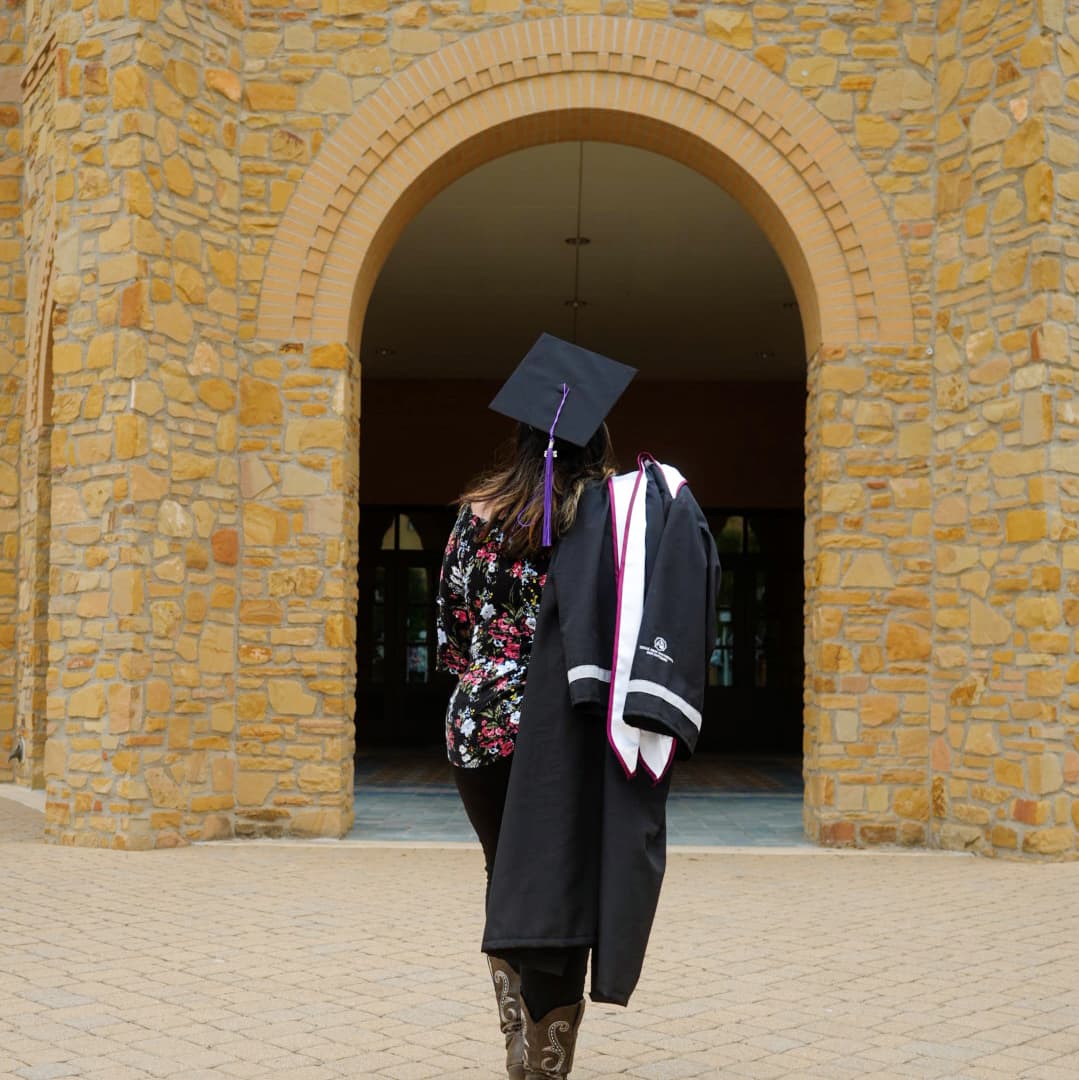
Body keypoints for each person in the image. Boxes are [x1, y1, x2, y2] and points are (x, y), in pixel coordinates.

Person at [437, 334, 719, 1079]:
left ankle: (518, 1039)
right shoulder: (605, 516)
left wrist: (485, 680)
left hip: (476, 728)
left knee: (508, 874)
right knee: (558, 885)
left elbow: (452, 630)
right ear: (595, 440)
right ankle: (543, 1061)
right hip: (558, 728)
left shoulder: (473, 513)